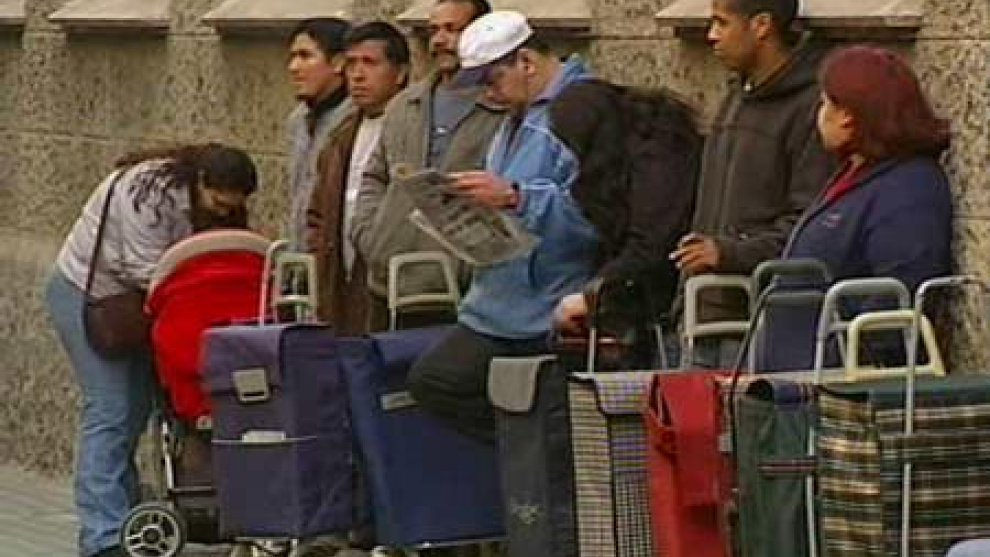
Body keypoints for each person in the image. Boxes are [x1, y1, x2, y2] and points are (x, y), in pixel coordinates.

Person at [45, 144, 258, 557]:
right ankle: (102, 537)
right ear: (201, 182)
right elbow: (148, 271)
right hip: (92, 297)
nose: (224, 211)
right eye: (218, 202)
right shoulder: (145, 194)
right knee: (110, 411)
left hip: (146, 306)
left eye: (232, 205)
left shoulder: (214, 199)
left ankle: (122, 516)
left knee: (136, 411)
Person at [408, 11, 599, 443]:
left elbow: (595, 216)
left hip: (545, 304)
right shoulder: (515, 117)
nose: (487, 94)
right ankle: (523, 457)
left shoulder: (577, 114)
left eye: (491, 80)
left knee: (522, 415)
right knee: (438, 382)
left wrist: (517, 197)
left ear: (526, 63)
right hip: (500, 302)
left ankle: (529, 456)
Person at [758, 45, 953, 372]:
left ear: (848, 116)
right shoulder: (856, 172)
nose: (819, 114)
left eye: (826, 103)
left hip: (839, 383)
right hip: (798, 374)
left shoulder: (908, 186)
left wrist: (840, 358)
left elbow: (899, 289)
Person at [668, 0, 835, 368]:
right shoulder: (737, 95)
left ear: (761, 25)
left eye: (722, 23)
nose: (711, 36)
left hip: (756, 322)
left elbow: (809, 225)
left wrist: (729, 253)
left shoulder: (809, 108)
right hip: (701, 311)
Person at [351, 0, 503, 330]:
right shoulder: (406, 104)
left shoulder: (501, 107)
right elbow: (375, 176)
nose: (439, 40)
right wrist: (369, 236)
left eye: (452, 29)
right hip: (389, 282)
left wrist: (469, 265)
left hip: (460, 291)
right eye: (434, 30)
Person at [305, 21, 411, 333]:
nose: (358, 75)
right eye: (351, 64)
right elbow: (317, 212)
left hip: (390, 283)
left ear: (400, 73)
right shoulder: (341, 136)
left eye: (370, 63)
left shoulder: (412, 130)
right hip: (340, 280)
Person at [287, 18, 353, 249]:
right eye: (293, 56)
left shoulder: (352, 121)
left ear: (338, 63)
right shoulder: (298, 120)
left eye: (305, 56)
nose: (294, 67)